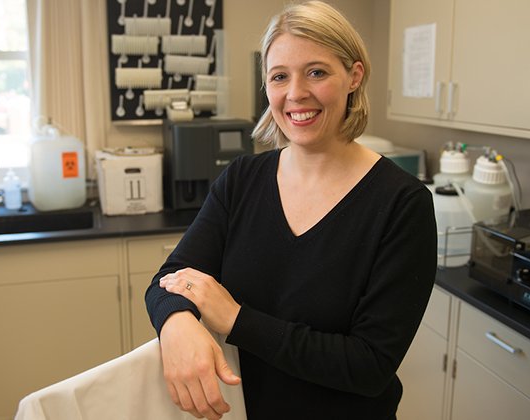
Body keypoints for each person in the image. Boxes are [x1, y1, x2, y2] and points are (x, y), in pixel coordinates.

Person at [145, 1, 437, 419]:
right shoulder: (242, 180)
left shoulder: (401, 203)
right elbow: (167, 281)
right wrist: (176, 324)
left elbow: (369, 366)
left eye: (316, 72)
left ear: (354, 76)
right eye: (280, 76)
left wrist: (236, 320)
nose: (295, 93)